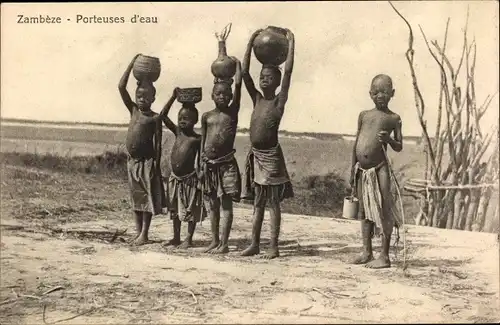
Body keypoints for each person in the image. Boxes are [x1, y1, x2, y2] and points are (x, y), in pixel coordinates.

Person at [240, 28, 295, 259]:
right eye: (262, 77)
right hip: (256, 157)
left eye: (269, 78)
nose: (264, 80)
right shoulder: (257, 99)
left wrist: (292, 43)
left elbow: (289, 72)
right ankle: (254, 244)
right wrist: (251, 40)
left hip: (271, 158)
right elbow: (244, 73)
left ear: (277, 82)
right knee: (258, 205)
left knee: (273, 204)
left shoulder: (278, 102)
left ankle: (273, 245)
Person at [349, 74, 403, 269]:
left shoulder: (393, 118)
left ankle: (385, 256)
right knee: (364, 210)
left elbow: (399, 146)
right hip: (362, 171)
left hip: (380, 169)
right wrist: (352, 168)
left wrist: (388, 140)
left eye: (385, 91)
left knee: (383, 207)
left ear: (392, 94)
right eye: (377, 91)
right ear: (370, 93)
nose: (381, 95)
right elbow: (356, 141)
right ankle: (366, 251)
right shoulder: (364, 115)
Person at [118, 54, 167, 246]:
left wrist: (155, 163)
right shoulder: (133, 111)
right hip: (133, 162)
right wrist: (132, 63)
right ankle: (138, 233)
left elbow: (159, 143)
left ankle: (145, 234)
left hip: (147, 163)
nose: (142, 99)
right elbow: (121, 87)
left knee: (147, 199)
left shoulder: (155, 118)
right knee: (136, 198)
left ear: (153, 97)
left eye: (146, 97)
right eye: (139, 96)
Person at [200, 56, 242, 254]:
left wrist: (239, 66)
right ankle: (214, 240)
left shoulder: (232, 113)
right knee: (211, 205)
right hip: (208, 165)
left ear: (231, 97)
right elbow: (203, 141)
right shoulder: (206, 116)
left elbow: (239, 85)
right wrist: (200, 163)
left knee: (226, 204)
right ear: (212, 95)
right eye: (218, 94)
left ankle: (224, 243)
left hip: (226, 165)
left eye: (226, 94)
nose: (222, 97)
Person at [160, 88, 203, 249]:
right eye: (180, 118)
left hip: (189, 179)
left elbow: (200, 159)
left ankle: (189, 239)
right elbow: (163, 116)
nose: (182, 121)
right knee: (175, 210)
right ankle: (176, 237)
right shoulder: (178, 132)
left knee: (190, 209)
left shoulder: (196, 139)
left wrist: (200, 176)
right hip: (174, 179)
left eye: (186, 118)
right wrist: (172, 97)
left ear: (195, 121)